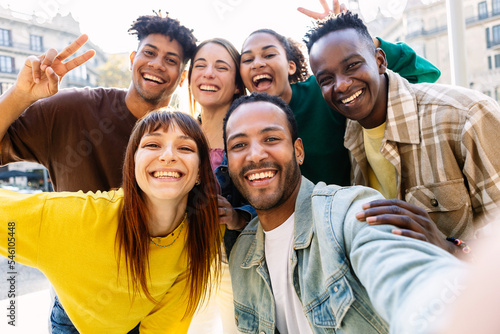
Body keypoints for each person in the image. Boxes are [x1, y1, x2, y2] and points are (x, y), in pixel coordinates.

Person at [0, 13, 197, 333]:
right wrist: (22, 94)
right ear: (133, 59)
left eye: (171, 59)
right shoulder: (72, 109)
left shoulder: (184, 148)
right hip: (76, 311)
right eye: (149, 53)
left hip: (153, 305)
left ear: (182, 76)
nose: (158, 64)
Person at [222, 92, 466, 334]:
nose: (255, 154)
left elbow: (403, 274)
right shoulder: (241, 255)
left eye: (271, 138)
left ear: (298, 151)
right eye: (239, 145)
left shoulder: (348, 211)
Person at [0, 110, 222, 333]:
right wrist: (19, 95)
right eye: (153, 145)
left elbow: (167, 323)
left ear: (201, 172)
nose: (168, 155)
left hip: (137, 321)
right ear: (132, 163)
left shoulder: (204, 230)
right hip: (76, 323)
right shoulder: (77, 217)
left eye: (185, 148)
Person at [305, 11, 500, 242]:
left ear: (380, 61)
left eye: (352, 66)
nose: (342, 85)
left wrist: (453, 250)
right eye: (326, 79)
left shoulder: (467, 116)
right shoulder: (349, 137)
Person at [238, 2, 441, 186]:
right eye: (247, 60)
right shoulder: (242, 122)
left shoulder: (326, 89)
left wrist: (355, 40)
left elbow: (423, 74)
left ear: (291, 66)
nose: (257, 63)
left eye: (269, 54)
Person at [186, 38, 251, 334]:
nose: (208, 73)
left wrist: (239, 216)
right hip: (183, 264)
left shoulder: (248, 135)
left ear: (237, 83)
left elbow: (278, 194)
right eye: (200, 65)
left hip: (235, 263)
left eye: (221, 67)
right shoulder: (177, 133)